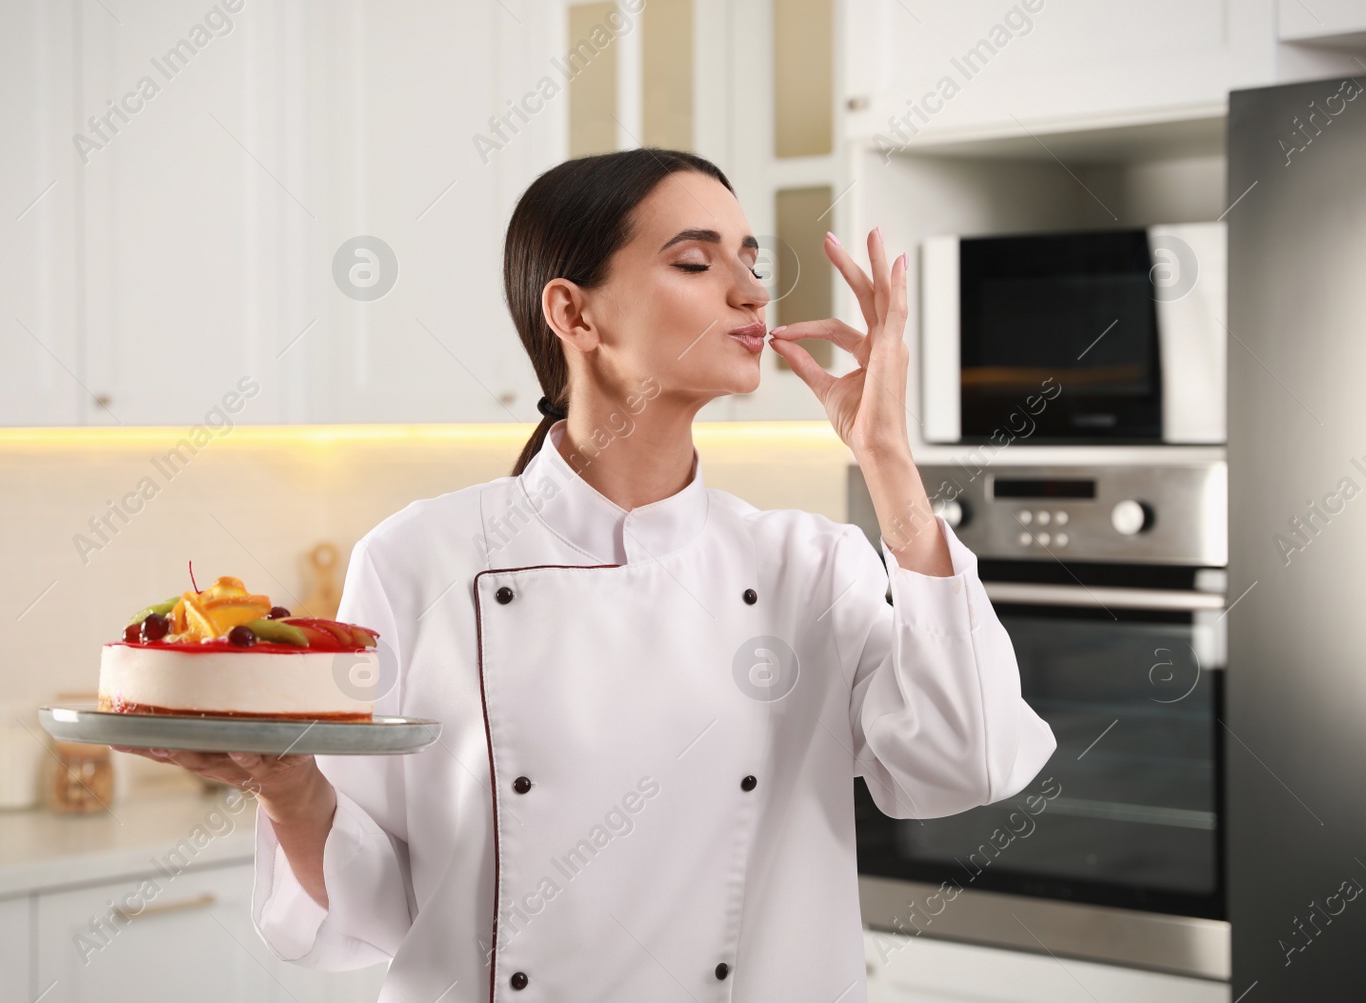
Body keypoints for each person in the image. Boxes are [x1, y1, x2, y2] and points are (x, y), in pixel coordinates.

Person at [121, 148, 1056, 1001]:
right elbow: (376, 911)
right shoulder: (420, 560)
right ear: (573, 312)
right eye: (696, 262)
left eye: (752, 261)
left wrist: (887, 462)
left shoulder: (808, 565)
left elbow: (965, 762)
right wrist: (287, 790)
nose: (749, 293)